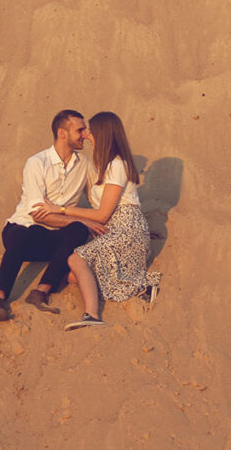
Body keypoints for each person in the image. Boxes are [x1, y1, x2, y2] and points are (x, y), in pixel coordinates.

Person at [49, 109, 158, 329]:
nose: (87, 135)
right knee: (72, 275)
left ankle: (92, 315)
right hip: (112, 229)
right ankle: (141, 287)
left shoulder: (117, 165)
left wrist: (61, 209)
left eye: (91, 131)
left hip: (124, 227)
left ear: (103, 134)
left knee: (76, 259)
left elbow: (102, 214)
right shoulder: (104, 166)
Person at [0, 110, 93, 323]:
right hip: (24, 233)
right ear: (62, 133)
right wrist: (80, 219)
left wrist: (124, 225)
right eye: (80, 130)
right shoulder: (37, 163)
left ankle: (41, 291)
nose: (85, 135)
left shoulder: (85, 164)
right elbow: (38, 216)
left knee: (79, 231)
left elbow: (99, 200)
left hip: (56, 242)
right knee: (21, 234)